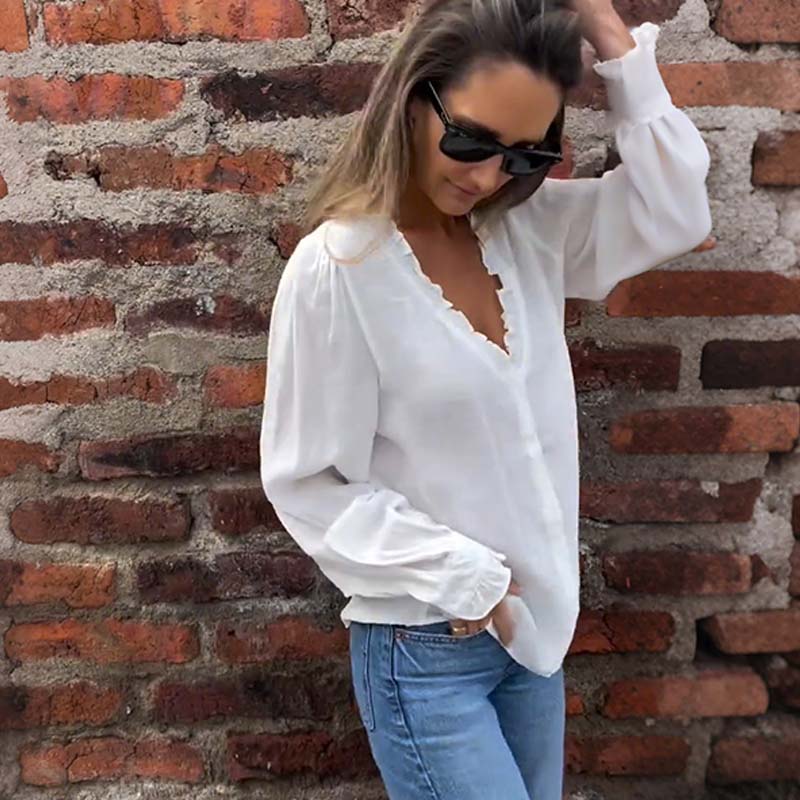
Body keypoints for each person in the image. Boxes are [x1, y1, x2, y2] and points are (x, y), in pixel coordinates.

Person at [259, 0, 712, 797]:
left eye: (524, 155)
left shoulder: (526, 232)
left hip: (531, 643)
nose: (487, 177)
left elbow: (674, 211)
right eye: (470, 140)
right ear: (413, 99)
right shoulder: (340, 268)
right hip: (426, 649)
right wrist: (471, 577)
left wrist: (608, 34)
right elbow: (310, 482)